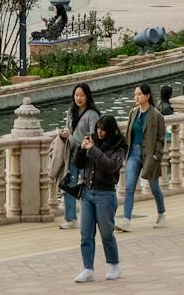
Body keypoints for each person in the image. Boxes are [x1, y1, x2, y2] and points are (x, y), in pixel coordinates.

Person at [75, 112, 127, 282]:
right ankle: (87, 269)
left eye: (103, 130)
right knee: (86, 233)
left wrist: (93, 150)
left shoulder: (118, 148)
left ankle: (114, 265)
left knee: (106, 233)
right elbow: (77, 164)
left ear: (111, 131)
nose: (99, 133)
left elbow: (110, 166)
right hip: (88, 193)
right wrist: (81, 149)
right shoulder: (92, 142)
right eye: (98, 129)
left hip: (106, 194)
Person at [116, 82, 166, 232]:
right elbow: (128, 135)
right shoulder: (133, 112)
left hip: (149, 155)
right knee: (129, 187)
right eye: (135, 94)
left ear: (147, 96)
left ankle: (161, 213)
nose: (136, 97)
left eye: (139, 94)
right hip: (134, 153)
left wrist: (157, 156)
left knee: (154, 187)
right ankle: (126, 220)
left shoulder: (156, 115)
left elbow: (161, 138)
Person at [58, 83, 99, 230]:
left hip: (86, 153)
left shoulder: (92, 114)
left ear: (87, 96)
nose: (79, 98)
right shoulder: (71, 112)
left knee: (88, 183)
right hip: (73, 152)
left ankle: (92, 215)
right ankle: (70, 218)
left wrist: (87, 146)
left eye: (81, 95)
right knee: (69, 182)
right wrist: (65, 133)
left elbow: (95, 135)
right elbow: (69, 129)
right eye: (76, 95)